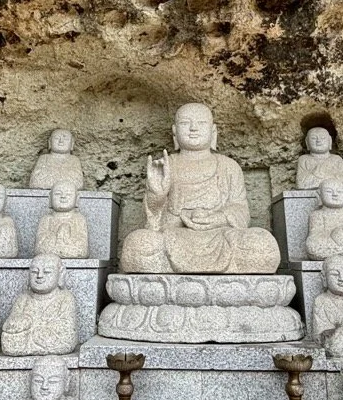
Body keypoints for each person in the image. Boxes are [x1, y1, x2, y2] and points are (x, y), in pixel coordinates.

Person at [118, 103, 280, 273]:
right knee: (137, 244)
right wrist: (157, 194)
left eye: (201, 123)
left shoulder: (228, 166)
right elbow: (153, 223)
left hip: (220, 236)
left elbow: (241, 211)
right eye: (185, 123)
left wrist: (219, 218)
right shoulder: (165, 165)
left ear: (213, 131)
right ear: (174, 131)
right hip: (175, 235)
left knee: (262, 243)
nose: (193, 128)